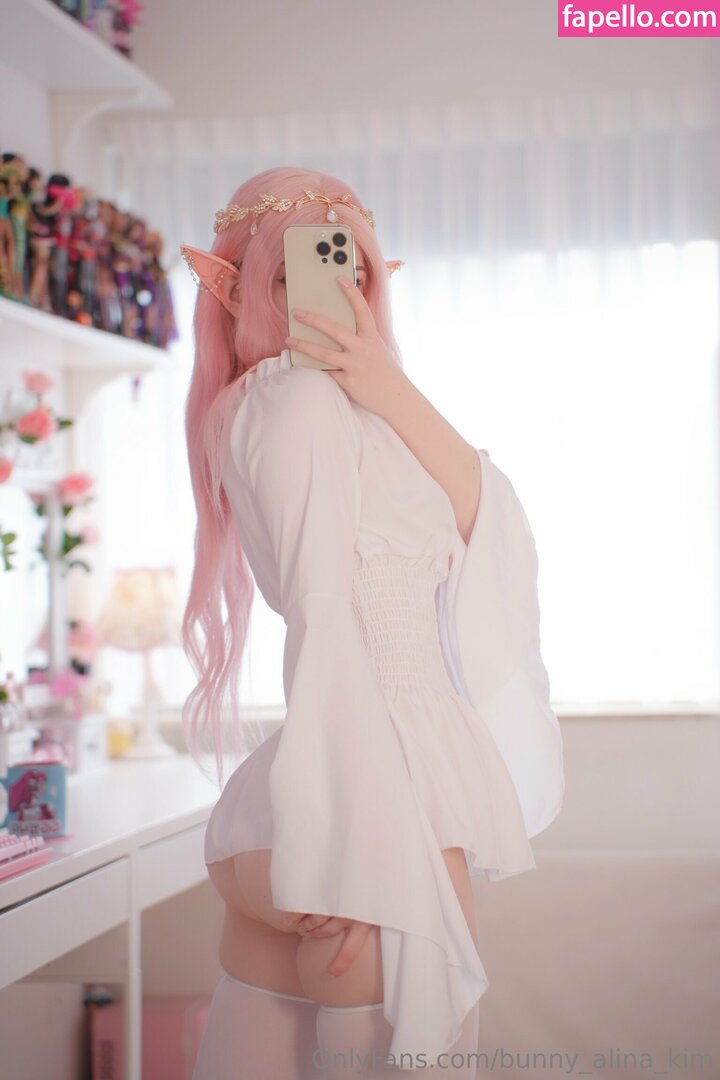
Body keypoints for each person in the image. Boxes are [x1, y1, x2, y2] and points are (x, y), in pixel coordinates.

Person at [180, 166, 565, 1078]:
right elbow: (324, 613)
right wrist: (344, 831)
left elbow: (486, 514)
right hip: (376, 777)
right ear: (243, 290)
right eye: (300, 271)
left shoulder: (339, 408)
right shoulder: (295, 401)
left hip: (338, 779)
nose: (339, 288)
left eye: (352, 267)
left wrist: (385, 383)